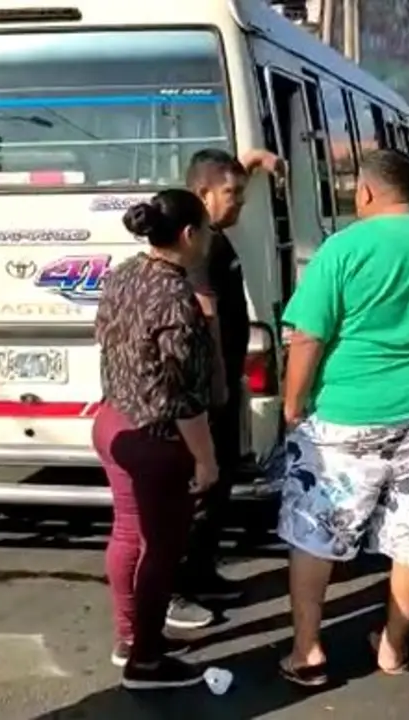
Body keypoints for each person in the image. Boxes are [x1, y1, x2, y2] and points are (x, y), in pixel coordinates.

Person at [276, 149, 409, 686]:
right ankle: (393, 646)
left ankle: (308, 652)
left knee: (315, 531)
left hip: (344, 417)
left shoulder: (342, 248)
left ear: (366, 192)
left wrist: (292, 403)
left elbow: (308, 336)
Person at [94, 189, 220, 688]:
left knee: (128, 533)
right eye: (206, 230)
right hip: (157, 436)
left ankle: (131, 636)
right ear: (189, 235)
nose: (209, 240)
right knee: (163, 548)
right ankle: (146, 662)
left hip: (113, 420)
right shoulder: (176, 297)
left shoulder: (123, 273)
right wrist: (205, 460)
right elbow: (183, 394)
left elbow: (104, 336)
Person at [167, 148, 282, 631]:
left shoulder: (215, 233)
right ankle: (175, 591)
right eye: (232, 196)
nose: (239, 203)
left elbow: (219, 177)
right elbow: (206, 321)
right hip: (206, 393)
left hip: (225, 386)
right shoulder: (198, 251)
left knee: (218, 492)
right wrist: (217, 389)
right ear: (201, 196)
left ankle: (202, 572)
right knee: (195, 491)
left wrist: (250, 165)